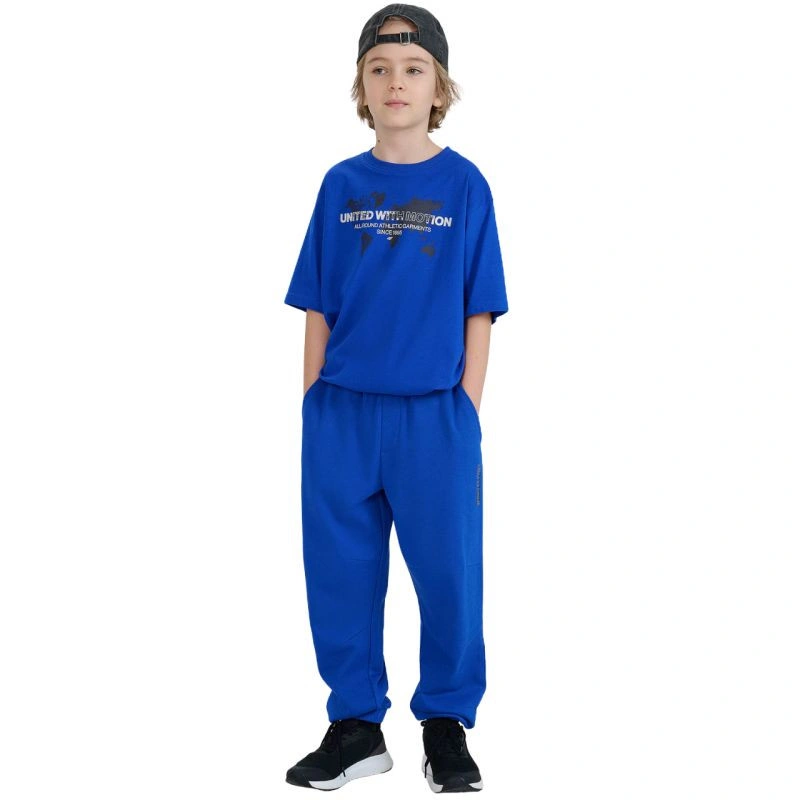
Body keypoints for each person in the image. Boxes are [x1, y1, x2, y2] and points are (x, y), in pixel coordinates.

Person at [283, 4, 509, 793]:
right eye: (379, 70)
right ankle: (356, 727)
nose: (396, 83)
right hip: (341, 413)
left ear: (439, 87)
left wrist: (464, 410)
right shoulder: (340, 185)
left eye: (414, 70)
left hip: (433, 416)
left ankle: (445, 722)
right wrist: (313, 403)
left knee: (449, 575)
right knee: (340, 572)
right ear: (362, 86)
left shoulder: (465, 185)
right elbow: (319, 305)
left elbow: (480, 308)